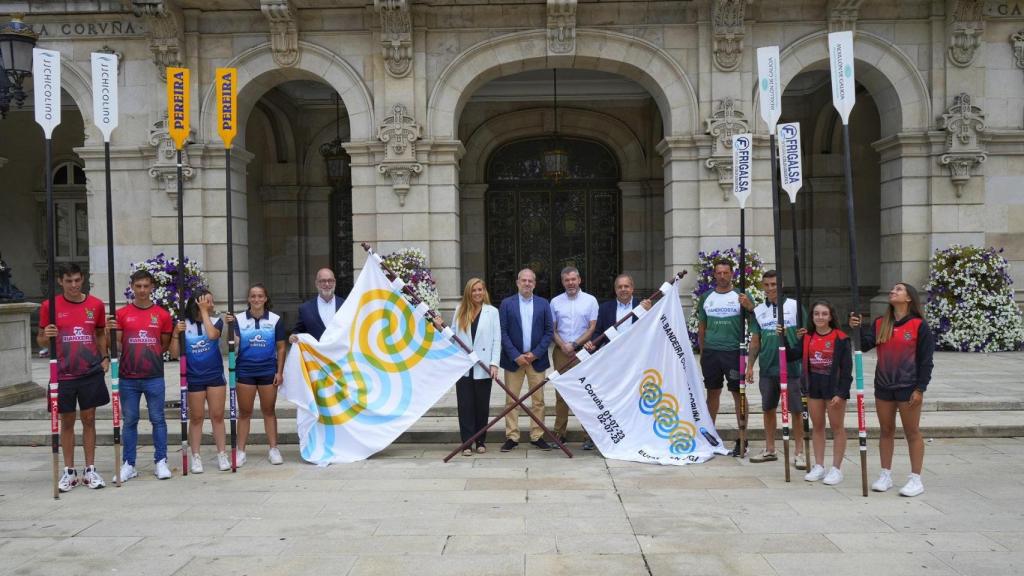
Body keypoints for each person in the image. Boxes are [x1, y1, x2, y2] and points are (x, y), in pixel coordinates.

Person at [850, 282, 934, 497]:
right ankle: (885, 475)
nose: (893, 291)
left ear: (909, 298)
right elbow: (864, 345)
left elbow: (926, 361)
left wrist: (920, 388)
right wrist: (856, 328)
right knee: (886, 430)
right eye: (893, 289)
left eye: (898, 289)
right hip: (884, 386)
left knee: (912, 432)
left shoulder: (919, 325)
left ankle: (916, 479)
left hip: (908, 387)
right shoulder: (881, 323)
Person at [37, 263, 110, 491]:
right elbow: (40, 340)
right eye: (68, 281)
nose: (74, 285)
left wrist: (105, 356)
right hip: (62, 373)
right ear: (60, 281)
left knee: (89, 419)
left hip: (89, 371)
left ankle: (90, 470)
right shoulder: (49, 306)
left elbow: (100, 333)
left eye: (77, 280)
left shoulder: (95, 305)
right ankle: (69, 471)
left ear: (83, 279)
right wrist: (46, 335)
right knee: (67, 422)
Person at [108, 269, 173, 481]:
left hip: (154, 375)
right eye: (138, 286)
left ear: (152, 287)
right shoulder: (122, 314)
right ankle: (129, 464)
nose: (142, 290)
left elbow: (163, 345)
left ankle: (161, 461)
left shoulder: (162, 315)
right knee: (130, 420)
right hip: (128, 377)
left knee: (158, 419)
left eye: (146, 286)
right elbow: (117, 344)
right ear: (132, 287)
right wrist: (109, 332)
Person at [583, 273, 652, 450]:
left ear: (632, 288)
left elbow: (653, 329)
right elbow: (599, 332)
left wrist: (649, 313)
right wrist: (592, 344)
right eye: (620, 287)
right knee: (608, 400)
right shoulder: (605, 308)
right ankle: (599, 437)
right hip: (611, 363)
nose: (623, 289)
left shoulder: (643, 306)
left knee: (634, 400)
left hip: (636, 363)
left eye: (626, 286)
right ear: (615, 290)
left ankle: (633, 435)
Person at [745, 270, 806, 467]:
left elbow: (805, 335)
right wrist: (750, 366)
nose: (770, 288)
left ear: (781, 285)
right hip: (768, 367)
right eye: (766, 285)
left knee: (796, 410)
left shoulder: (795, 306)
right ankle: (770, 449)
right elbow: (756, 340)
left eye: (774, 284)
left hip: (791, 367)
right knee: (768, 408)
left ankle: (799, 452)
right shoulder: (759, 310)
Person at [696, 260, 754, 456]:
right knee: (712, 393)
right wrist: (703, 352)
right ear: (714, 274)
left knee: (738, 393)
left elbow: (755, 321)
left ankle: (742, 437)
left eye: (725, 273)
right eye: (719, 273)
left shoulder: (741, 296)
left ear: (732, 274)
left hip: (733, 352)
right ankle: (709, 436)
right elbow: (702, 327)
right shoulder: (706, 297)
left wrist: (750, 307)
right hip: (711, 352)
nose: (722, 276)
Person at [169, 289, 230, 473]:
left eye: (211, 302)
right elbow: (174, 354)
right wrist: (175, 334)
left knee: (217, 415)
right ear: (198, 302)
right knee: (196, 417)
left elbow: (212, 336)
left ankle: (222, 453)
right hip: (194, 377)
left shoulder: (216, 321)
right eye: (208, 302)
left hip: (214, 375)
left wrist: (204, 312)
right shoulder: (184, 324)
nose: (212, 305)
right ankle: (195, 456)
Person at [226, 284, 286, 466]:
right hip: (245, 371)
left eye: (260, 296)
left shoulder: (275, 320)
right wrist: (230, 326)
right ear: (248, 299)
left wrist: (279, 372)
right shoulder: (238, 319)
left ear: (265, 298)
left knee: (269, 411)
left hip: (268, 370)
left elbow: (281, 347)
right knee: (245, 412)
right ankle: (241, 451)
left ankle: (274, 449)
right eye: (253, 296)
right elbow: (234, 343)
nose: (257, 299)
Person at [498, 268, 554, 452]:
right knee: (511, 400)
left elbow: (549, 332)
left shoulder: (543, 304)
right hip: (513, 360)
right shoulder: (507, 304)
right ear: (517, 282)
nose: (527, 283)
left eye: (530, 281)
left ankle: (537, 435)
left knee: (538, 401)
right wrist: (516, 355)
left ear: (535, 284)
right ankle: (512, 436)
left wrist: (535, 354)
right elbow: (503, 332)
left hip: (536, 360)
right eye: (524, 280)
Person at [797, 300, 852, 485]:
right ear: (812, 316)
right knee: (818, 426)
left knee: (837, 427)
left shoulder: (841, 338)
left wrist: (842, 393)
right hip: (814, 387)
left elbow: (847, 370)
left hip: (834, 388)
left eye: (824, 314)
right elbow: (791, 354)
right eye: (816, 314)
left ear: (830, 316)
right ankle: (819, 466)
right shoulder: (807, 337)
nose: (820, 317)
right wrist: (784, 337)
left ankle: (836, 469)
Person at [444, 278, 500, 456]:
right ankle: (467, 443)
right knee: (465, 406)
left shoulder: (492, 312)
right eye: (474, 290)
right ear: (469, 292)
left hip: (483, 365)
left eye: (480, 289)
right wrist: (440, 327)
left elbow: (496, 340)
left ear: (484, 291)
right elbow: (452, 336)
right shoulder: (460, 310)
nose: (477, 293)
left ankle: (480, 441)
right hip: (464, 366)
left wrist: (494, 364)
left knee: (482, 406)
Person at [550, 267, 599, 447]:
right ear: (562, 282)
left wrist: (575, 344)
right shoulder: (555, 302)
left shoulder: (590, 301)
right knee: (561, 394)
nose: (570, 283)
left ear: (579, 280)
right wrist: (563, 345)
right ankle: (559, 433)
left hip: (583, 352)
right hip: (561, 352)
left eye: (573, 279)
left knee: (585, 393)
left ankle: (589, 435)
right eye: (566, 280)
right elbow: (552, 329)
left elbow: (592, 328)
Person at [290, 268, 344, 342]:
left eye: (330, 280)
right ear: (316, 283)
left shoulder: (345, 305)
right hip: (314, 349)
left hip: (339, 349)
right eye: (323, 281)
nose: (327, 284)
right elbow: (298, 331)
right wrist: (293, 336)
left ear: (335, 282)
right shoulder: (305, 308)